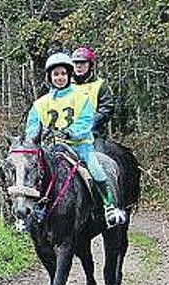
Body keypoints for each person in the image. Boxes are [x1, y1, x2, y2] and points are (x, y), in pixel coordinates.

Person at [25, 52, 127, 227]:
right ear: (49, 77)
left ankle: (109, 206)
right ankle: (29, 212)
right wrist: (36, 138)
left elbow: (86, 121)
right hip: (52, 148)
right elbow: (33, 126)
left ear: (69, 75)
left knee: (96, 169)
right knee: (33, 172)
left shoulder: (81, 98)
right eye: (56, 74)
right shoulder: (41, 103)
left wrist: (71, 132)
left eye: (63, 74)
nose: (60, 77)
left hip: (79, 146)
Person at [71, 46, 114, 149]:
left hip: (93, 134)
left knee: (99, 161)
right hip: (67, 136)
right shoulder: (66, 87)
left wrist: (89, 123)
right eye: (76, 63)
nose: (79, 66)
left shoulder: (100, 85)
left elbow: (107, 109)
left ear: (90, 65)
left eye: (82, 63)